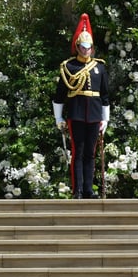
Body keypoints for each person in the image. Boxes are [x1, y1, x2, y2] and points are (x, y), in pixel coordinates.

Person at [53, 14, 110, 199]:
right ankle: (77, 190)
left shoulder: (99, 67)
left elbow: (105, 95)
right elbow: (60, 95)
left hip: (94, 115)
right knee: (78, 152)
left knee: (90, 153)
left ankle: (88, 189)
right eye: (83, 47)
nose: (86, 50)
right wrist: (58, 118)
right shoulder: (69, 67)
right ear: (78, 47)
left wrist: (105, 118)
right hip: (76, 113)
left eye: (89, 47)